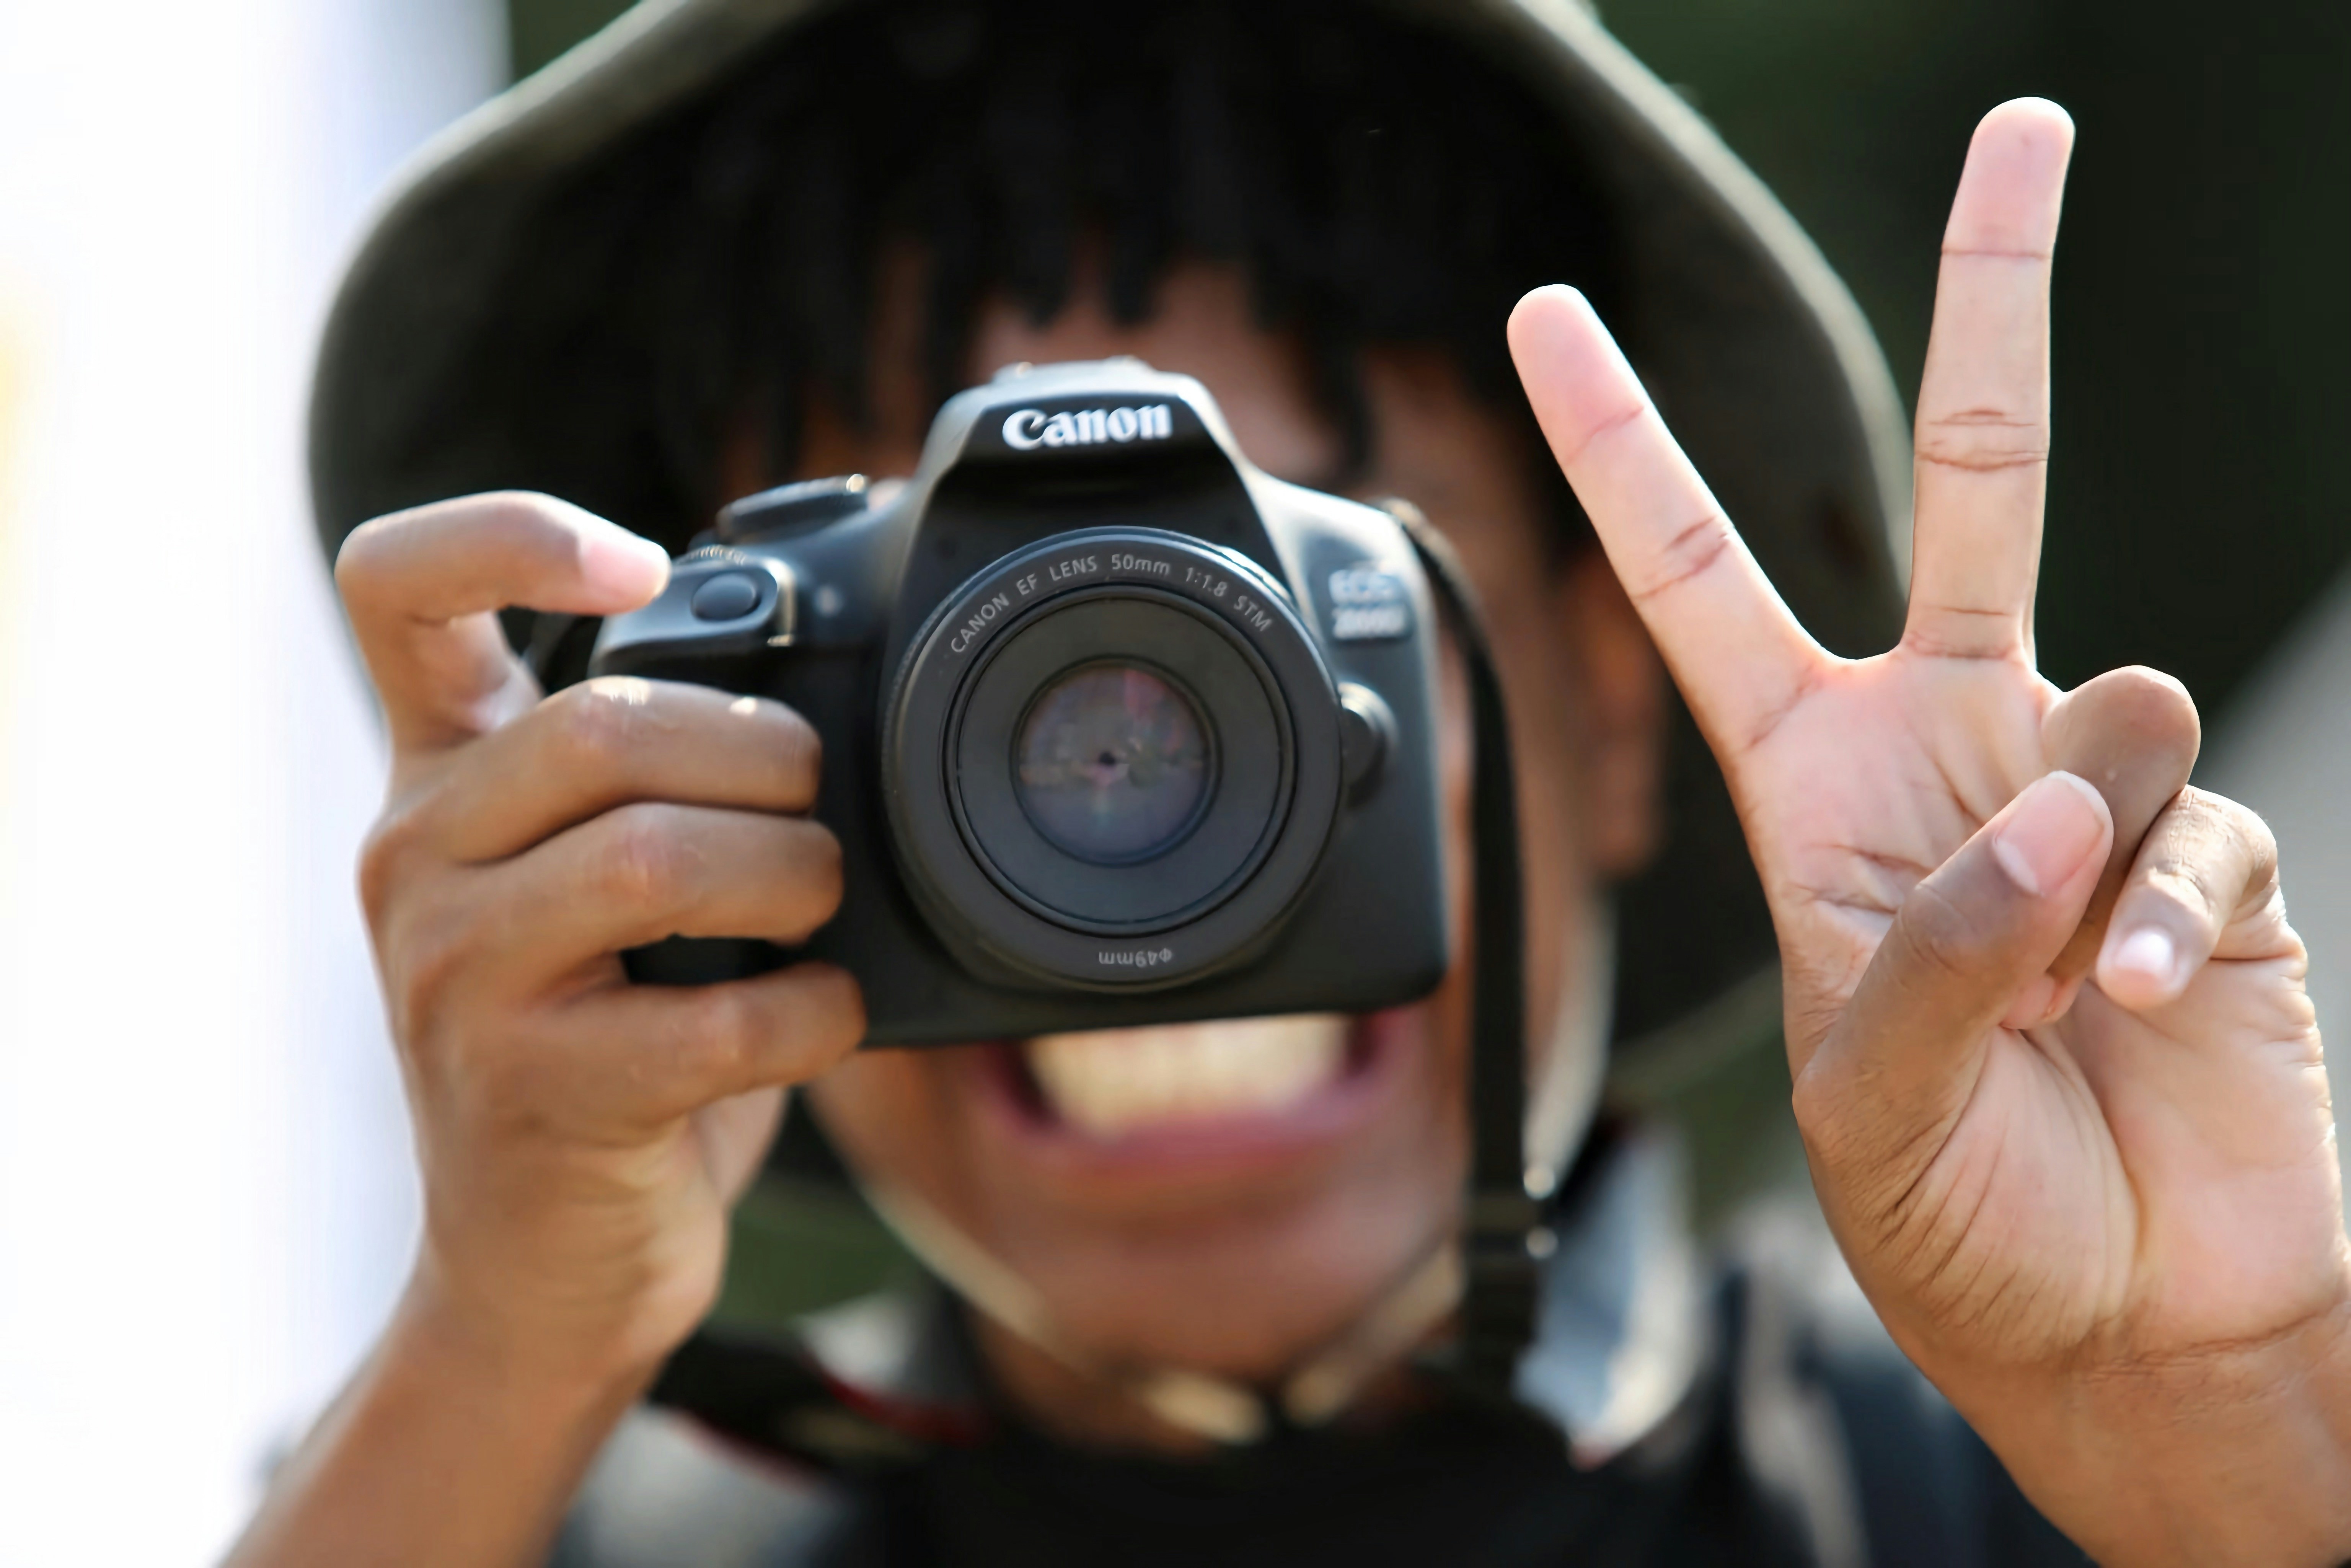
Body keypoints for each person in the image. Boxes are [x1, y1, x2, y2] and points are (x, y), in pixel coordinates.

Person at [230, 1, 2351, 1563]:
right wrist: (498, 1351)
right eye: (949, 653)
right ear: (692, 764)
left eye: (1283, 592)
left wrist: (2241, 1435)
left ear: (1624, 707)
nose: (1116, 758)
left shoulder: (2056, 1487)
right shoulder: (518, 1512)